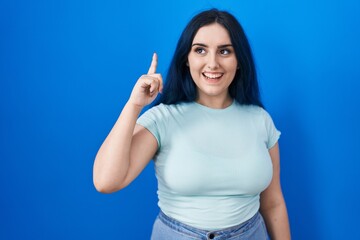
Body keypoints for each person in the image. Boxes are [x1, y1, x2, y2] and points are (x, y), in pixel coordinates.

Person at [93, 9, 291, 240]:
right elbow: (106, 181)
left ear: (239, 61)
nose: (213, 63)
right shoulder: (162, 118)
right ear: (186, 59)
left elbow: (273, 203)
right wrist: (134, 105)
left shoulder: (261, 120)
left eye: (225, 51)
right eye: (200, 50)